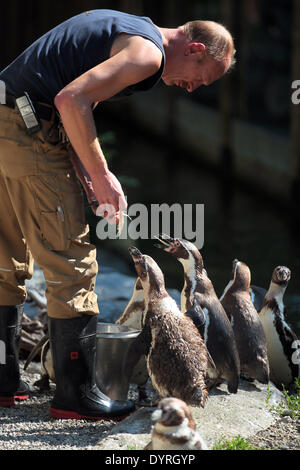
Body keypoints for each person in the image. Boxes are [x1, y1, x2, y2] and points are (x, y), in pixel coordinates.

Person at [0, 9, 235, 420]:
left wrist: (86, 177)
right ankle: (75, 395)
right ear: (195, 48)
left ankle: (2, 381)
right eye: (203, 77)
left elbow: (67, 98)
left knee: (5, 257)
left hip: (7, 113)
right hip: (27, 127)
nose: (193, 89)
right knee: (72, 263)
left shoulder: (127, 27)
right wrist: (102, 173)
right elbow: (70, 100)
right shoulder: (148, 55)